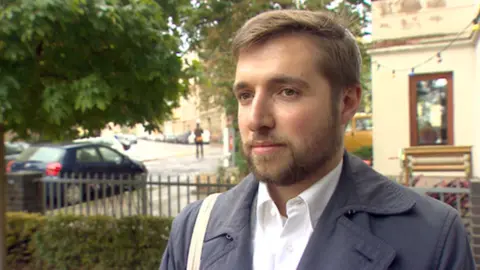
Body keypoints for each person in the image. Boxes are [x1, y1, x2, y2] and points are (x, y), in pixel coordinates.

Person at [160, 10, 475, 270]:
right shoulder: (194, 230)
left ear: (347, 102)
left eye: (287, 92)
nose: (256, 119)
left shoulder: (432, 236)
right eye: (245, 95)